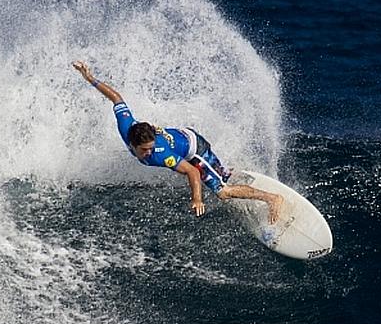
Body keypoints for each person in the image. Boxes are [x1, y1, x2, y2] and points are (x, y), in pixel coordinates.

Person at [73, 61, 283, 222]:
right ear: (133, 143)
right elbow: (116, 98)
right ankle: (225, 172)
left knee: (223, 193)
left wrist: (197, 199)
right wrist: (89, 77)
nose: (148, 153)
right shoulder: (126, 126)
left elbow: (192, 172)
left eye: (151, 148)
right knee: (221, 175)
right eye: (145, 150)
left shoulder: (161, 154)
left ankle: (272, 198)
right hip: (182, 137)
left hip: (194, 148)